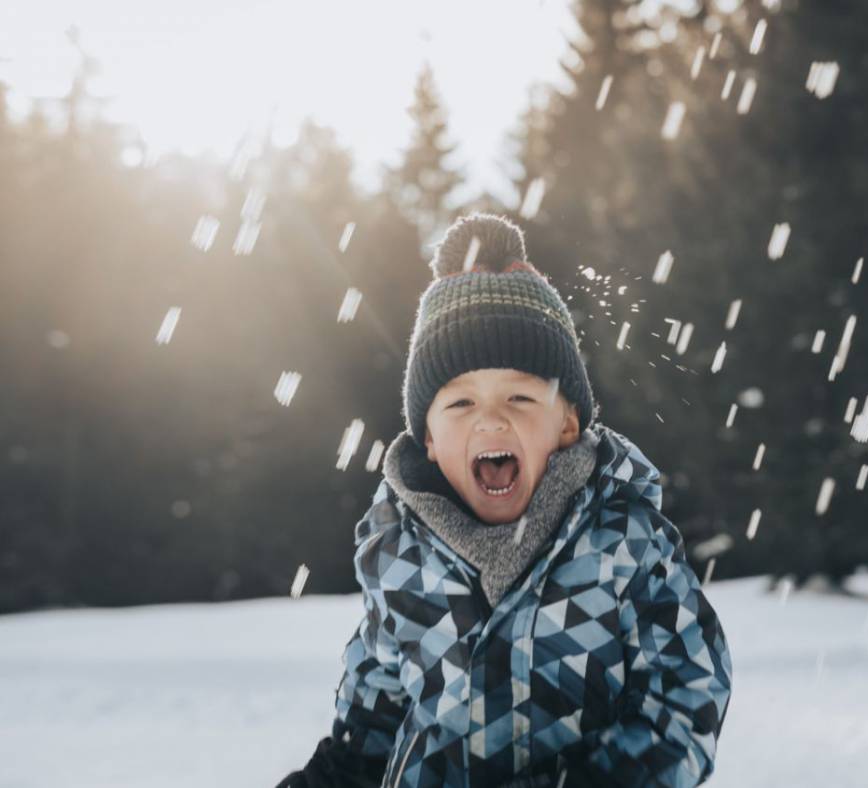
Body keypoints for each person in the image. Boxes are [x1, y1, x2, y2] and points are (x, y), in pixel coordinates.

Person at [277, 214, 733, 787]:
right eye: (461, 404)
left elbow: (685, 692)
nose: (491, 417)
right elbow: (373, 718)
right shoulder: (398, 556)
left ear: (566, 425)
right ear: (431, 441)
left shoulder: (622, 541)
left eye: (519, 396)